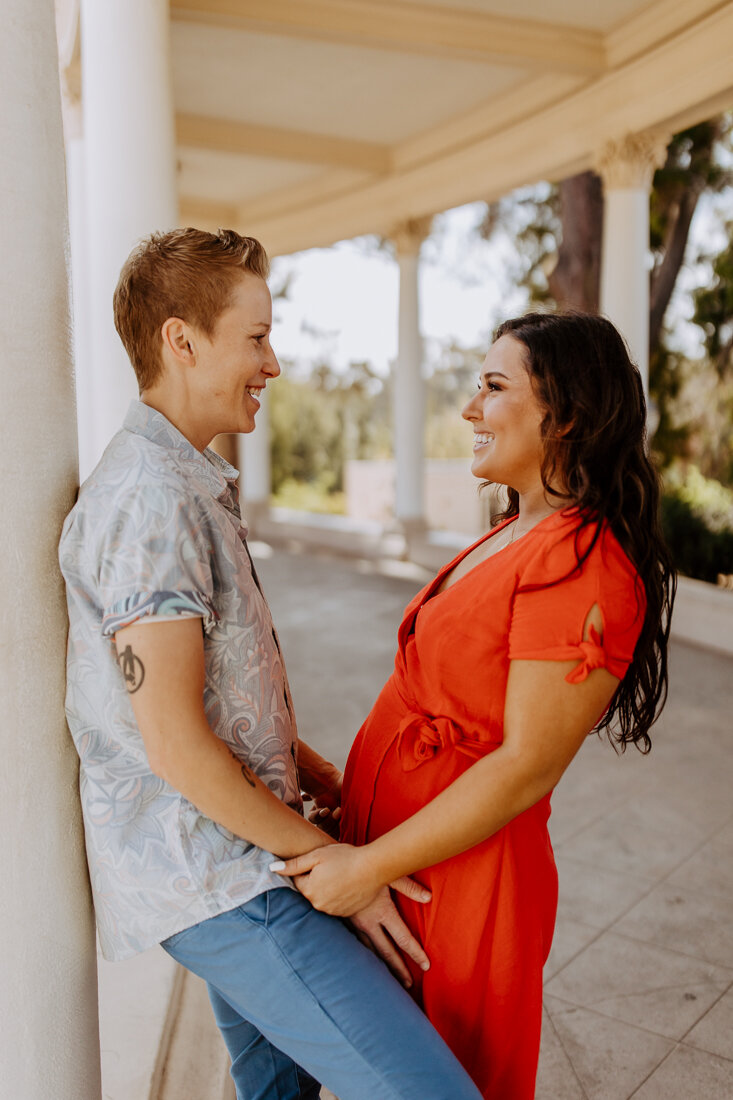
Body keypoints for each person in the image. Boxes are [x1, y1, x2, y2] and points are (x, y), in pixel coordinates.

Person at [59, 227, 483, 1100]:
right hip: (226, 879)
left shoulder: (182, 479)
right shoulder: (149, 499)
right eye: (255, 339)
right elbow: (176, 747)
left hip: (237, 857)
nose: (274, 364)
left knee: (277, 1094)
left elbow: (212, 700)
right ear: (182, 341)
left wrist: (311, 775)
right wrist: (345, 872)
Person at [272, 311, 676, 1099]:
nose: (468, 410)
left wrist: (367, 869)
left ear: (564, 411)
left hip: (460, 881)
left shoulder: (584, 561)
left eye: (492, 388)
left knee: (442, 1076)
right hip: (397, 847)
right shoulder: (515, 528)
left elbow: (525, 766)